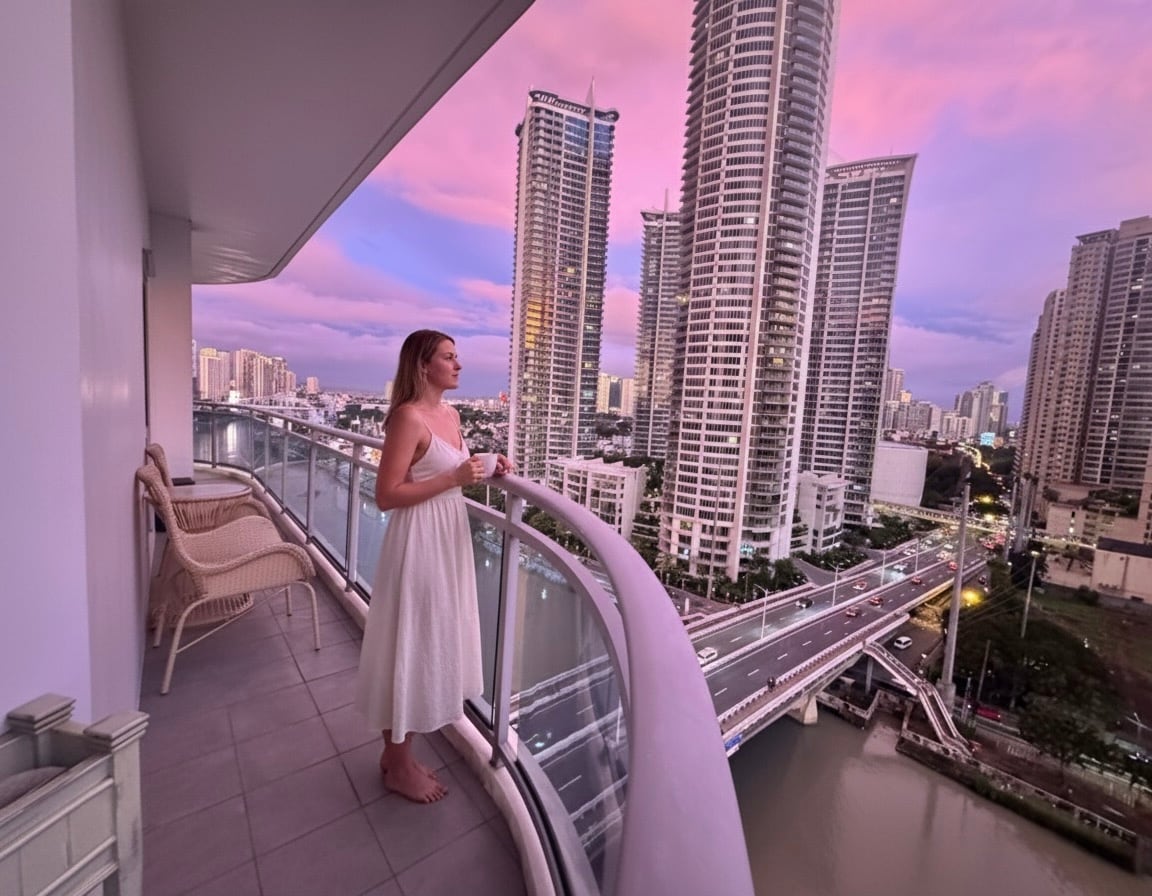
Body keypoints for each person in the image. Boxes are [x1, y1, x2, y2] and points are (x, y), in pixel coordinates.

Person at [354, 329, 512, 803]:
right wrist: (454, 477)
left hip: (448, 537)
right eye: (448, 356)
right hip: (419, 539)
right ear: (423, 365)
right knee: (411, 642)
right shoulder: (407, 417)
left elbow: (449, 467)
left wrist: (488, 464)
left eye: (457, 356)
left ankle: (397, 756)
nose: (458, 364)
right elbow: (387, 495)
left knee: (431, 639)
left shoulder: (452, 414)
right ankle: (398, 763)